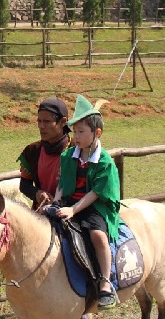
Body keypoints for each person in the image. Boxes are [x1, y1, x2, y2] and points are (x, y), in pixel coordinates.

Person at [49, 94, 121, 310]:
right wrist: (56, 201)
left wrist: (72, 209)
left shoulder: (105, 162)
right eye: (75, 131)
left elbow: (96, 194)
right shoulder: (69, 155)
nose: (76, 136)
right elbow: (63, 183)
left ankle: (105, 283)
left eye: (81, 132)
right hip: (70, 201)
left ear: (96, 133)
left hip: (94, 206)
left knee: (98, 236)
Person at [17, 97, 71, 211]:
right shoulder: (32, 151)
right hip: (41, 213)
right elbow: (24, 185)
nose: (41, 126)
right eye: (39, 121)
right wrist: (37, 194)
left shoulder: (77, 150)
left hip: (70, 212)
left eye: (46, 121)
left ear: (63, 122)